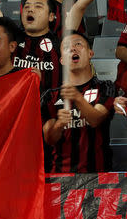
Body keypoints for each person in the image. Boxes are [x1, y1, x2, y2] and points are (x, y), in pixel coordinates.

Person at [41, 31, 116, 173]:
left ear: (90, 53)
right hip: (60, 178)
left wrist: (77, 98)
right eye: (67, 47)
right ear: (62, 60)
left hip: (98, 176)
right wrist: (59, 125)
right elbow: (49, 139)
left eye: (78, 44)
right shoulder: (50, 96)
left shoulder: (105, 87)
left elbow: (96, 119)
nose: (73, 49)